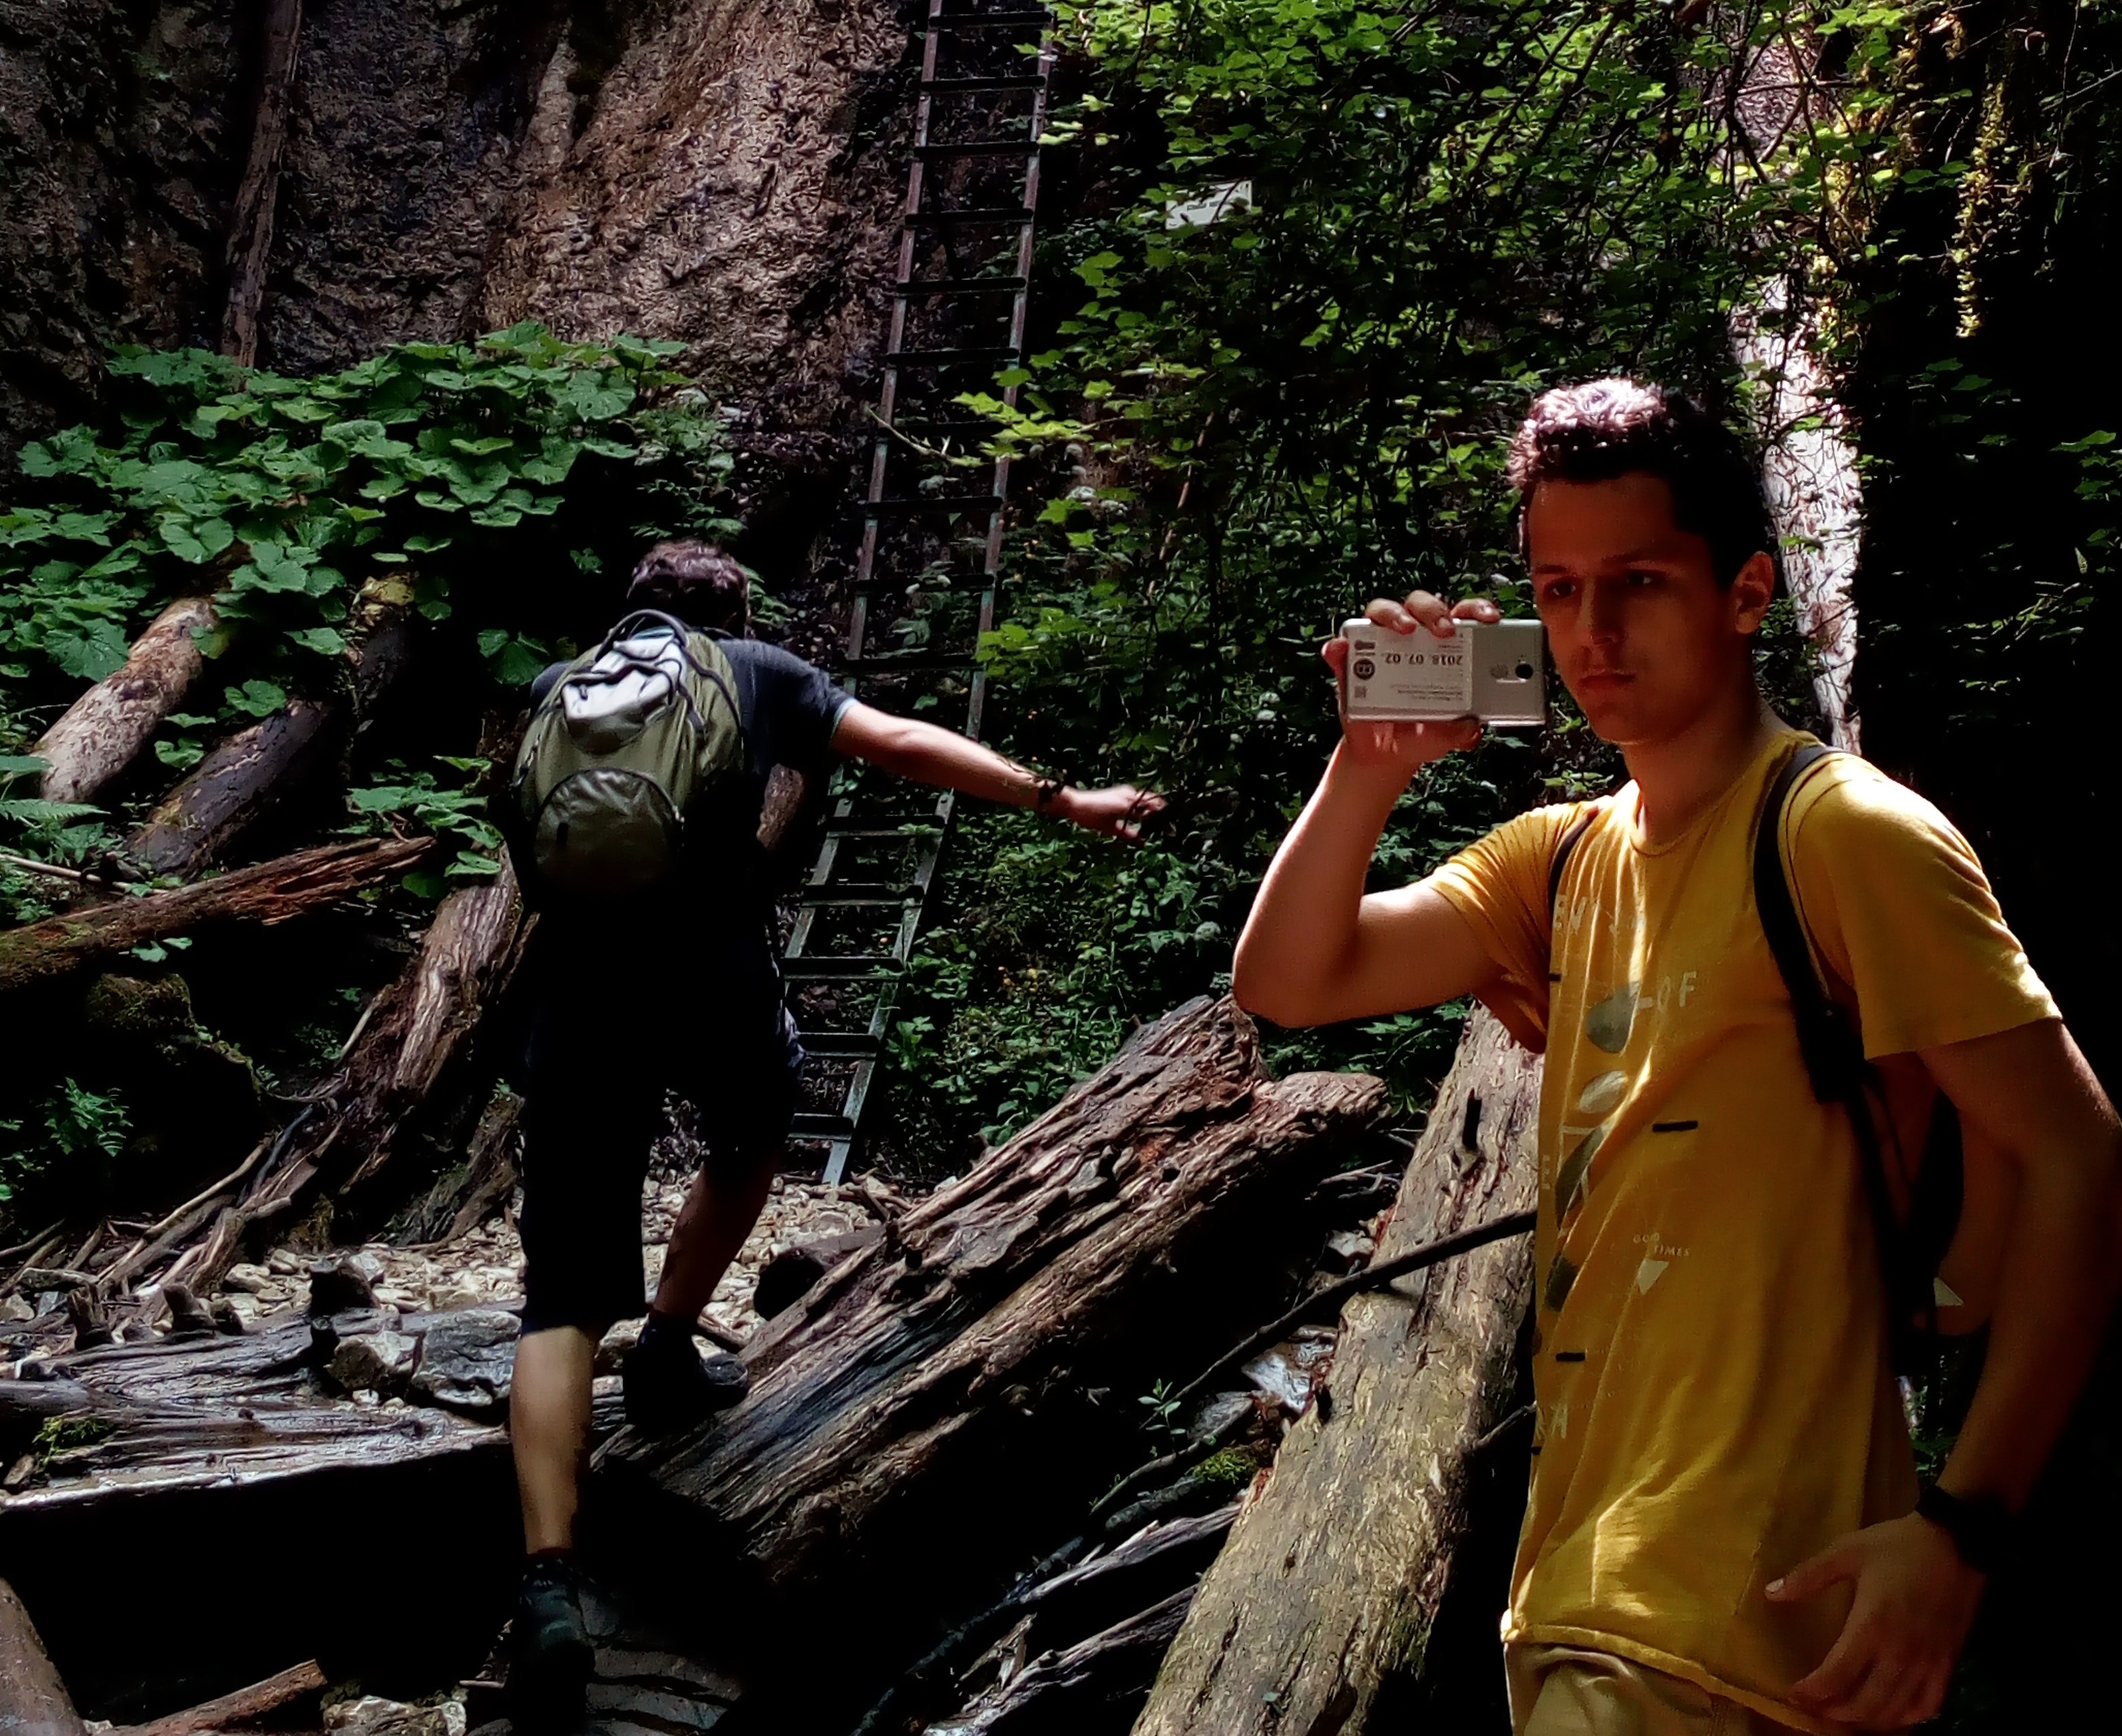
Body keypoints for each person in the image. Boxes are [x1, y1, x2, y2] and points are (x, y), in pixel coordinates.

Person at [1232, 380, 2122, 1736]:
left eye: (1638, 582)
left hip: (1738, 1605)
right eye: (1560, 589)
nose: (1593, 632)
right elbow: (1291, 981)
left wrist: (1964, 1530)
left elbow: (2078, 1153)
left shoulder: (1843, 834)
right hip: (1580, 1591)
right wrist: (1369, 767)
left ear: (1746, 591)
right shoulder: (1560, 859)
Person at [507, 537, 1160, 1720]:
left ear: (629, 615)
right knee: (751, 1134)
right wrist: (1061, 798)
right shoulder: (755, 671)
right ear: (734, 616)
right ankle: (668, 1342)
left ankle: (547, 1582)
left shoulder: (562, 689)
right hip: (710, 977)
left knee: (558, 1298)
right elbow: (903, 743)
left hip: (577, 1000)